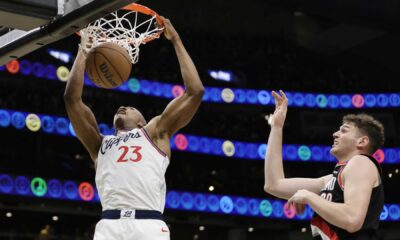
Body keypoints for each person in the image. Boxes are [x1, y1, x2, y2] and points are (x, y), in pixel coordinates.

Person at [64, 17, 204, 240]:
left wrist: (176, 40)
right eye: (121, 107)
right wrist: (83, 52)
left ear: (142, 121)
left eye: (129, 107)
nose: (122, 107)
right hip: (109, 224)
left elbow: (194, 91)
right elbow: (72, 99)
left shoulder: (154, 132)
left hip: (147, 224)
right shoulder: (99, 143)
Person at [264, 90, 384, 239]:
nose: (335, 134)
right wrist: (277, 127)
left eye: (344, 130)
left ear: (362, 141)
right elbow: (273, 185)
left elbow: (352, 220)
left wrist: (309, 197)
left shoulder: (361, 162)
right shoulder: (332, 180)